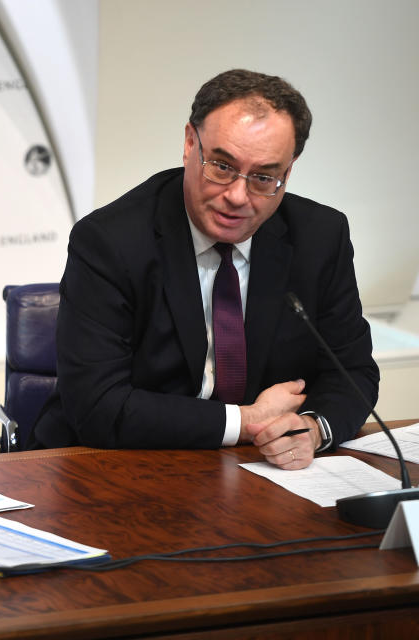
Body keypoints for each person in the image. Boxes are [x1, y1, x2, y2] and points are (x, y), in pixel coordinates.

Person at [33, 69, 379, 470]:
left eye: (264, 177)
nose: (236, 196)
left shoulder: (320, 237)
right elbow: (97, 406)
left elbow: (351, 371)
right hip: (113, 466)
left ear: (289, 171)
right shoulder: (111, 242)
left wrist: (312, 429)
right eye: (221, 166)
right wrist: (246, 423)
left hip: (259, 474)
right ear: (188, 144)